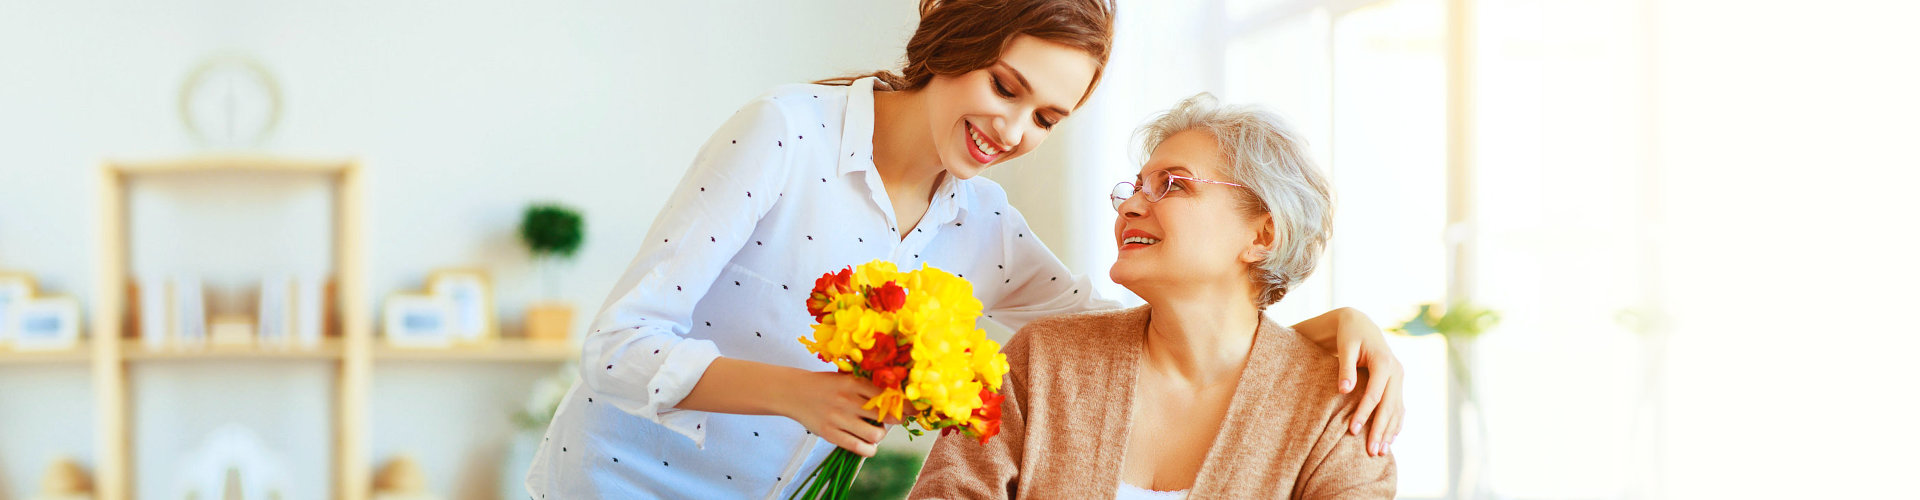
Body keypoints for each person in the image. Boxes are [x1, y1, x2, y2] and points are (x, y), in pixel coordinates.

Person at [526, 2, 1403, 497]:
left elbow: (1150, 327)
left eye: (1046, 118)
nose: (1013, 130)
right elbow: (614, 346)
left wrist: (1322, 330)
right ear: (954, 39)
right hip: (612, 485)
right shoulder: (786, 133)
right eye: (1005, 86)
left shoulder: (982, 222)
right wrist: (805, 397)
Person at [911, 94, 1395, 499]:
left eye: (1173, 185)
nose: (1133, 205)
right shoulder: (1039, 361)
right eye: (1137, 186)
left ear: (1262, 234)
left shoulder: (1336, 412)